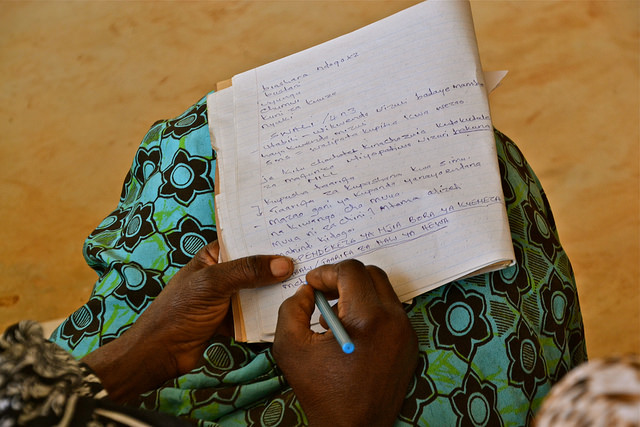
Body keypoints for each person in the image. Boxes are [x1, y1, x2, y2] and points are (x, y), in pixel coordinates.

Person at [1, 94, 588, 426]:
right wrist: (351, 417)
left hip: (78, 400)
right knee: (490, 197)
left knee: (193, 149)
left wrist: (144, 351)